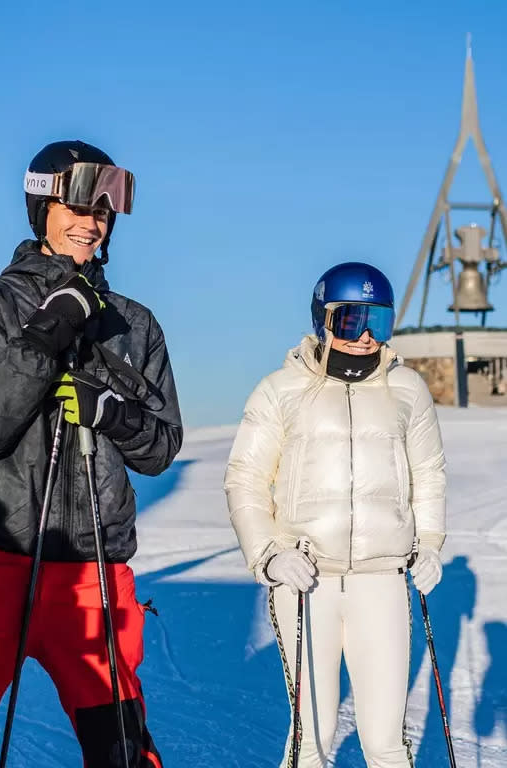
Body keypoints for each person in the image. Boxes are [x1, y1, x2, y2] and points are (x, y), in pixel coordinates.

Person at [0, 140, 182, 767]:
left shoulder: (134, 324)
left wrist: (115, 414)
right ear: (41, 206)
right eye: (78, 204)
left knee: (125, 756)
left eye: (105, 211)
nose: (92, 222)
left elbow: (161, 448)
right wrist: (49, 332)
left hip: (92, 573)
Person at [224, 262, 446, 768]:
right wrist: (269, 554)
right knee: (312, 740)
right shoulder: (281, 390)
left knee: (386, 741)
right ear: (323, 321)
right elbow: (246, 480)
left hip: (382, 581)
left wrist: (429, 541)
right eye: (351, 321)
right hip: (305, 581)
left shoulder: (407, 390)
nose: (367, 336)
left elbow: (429, 474)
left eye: (379, 322)